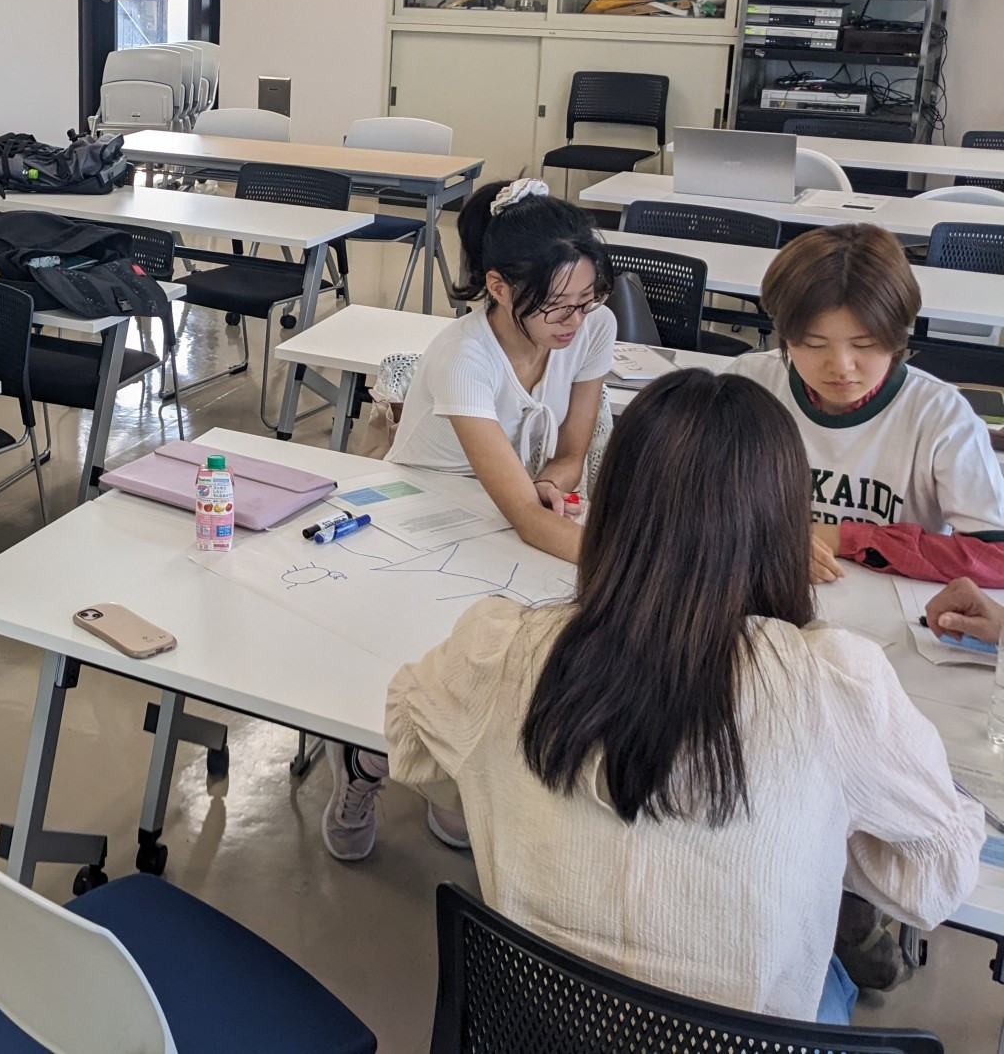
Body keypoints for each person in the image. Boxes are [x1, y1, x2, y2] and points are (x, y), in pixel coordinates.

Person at [385, 369, 982, 1024]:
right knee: (820, 971)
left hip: (541, 1025)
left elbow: (413, 750)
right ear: (784, 526)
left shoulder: (501, 649)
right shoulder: (836, 683)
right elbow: (937, 881)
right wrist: (817, 836)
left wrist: (508, 790)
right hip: (739, 1037)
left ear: (610, 510)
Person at [324, 177, 614, 864]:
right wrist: (628, 564)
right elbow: (518, 515)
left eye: (587, 300)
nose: (575, 322)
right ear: (500, 286)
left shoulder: (591, 326)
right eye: (557, 308)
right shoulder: (464, 355)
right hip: (426, 509)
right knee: (419, 649)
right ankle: (364, 764)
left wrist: (551, 480)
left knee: (504, 655)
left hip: (513, 503)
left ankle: (452, 777)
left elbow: (572, 450)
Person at [727, 224, 1004, 587]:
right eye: (813, 343)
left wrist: (843, 538)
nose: (841, 366)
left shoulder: (940, 416)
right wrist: (775, 545)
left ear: (898, 336)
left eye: (864, 344)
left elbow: (994, 558)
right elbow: (687, 507)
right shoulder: (751, 387)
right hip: (769, 595)